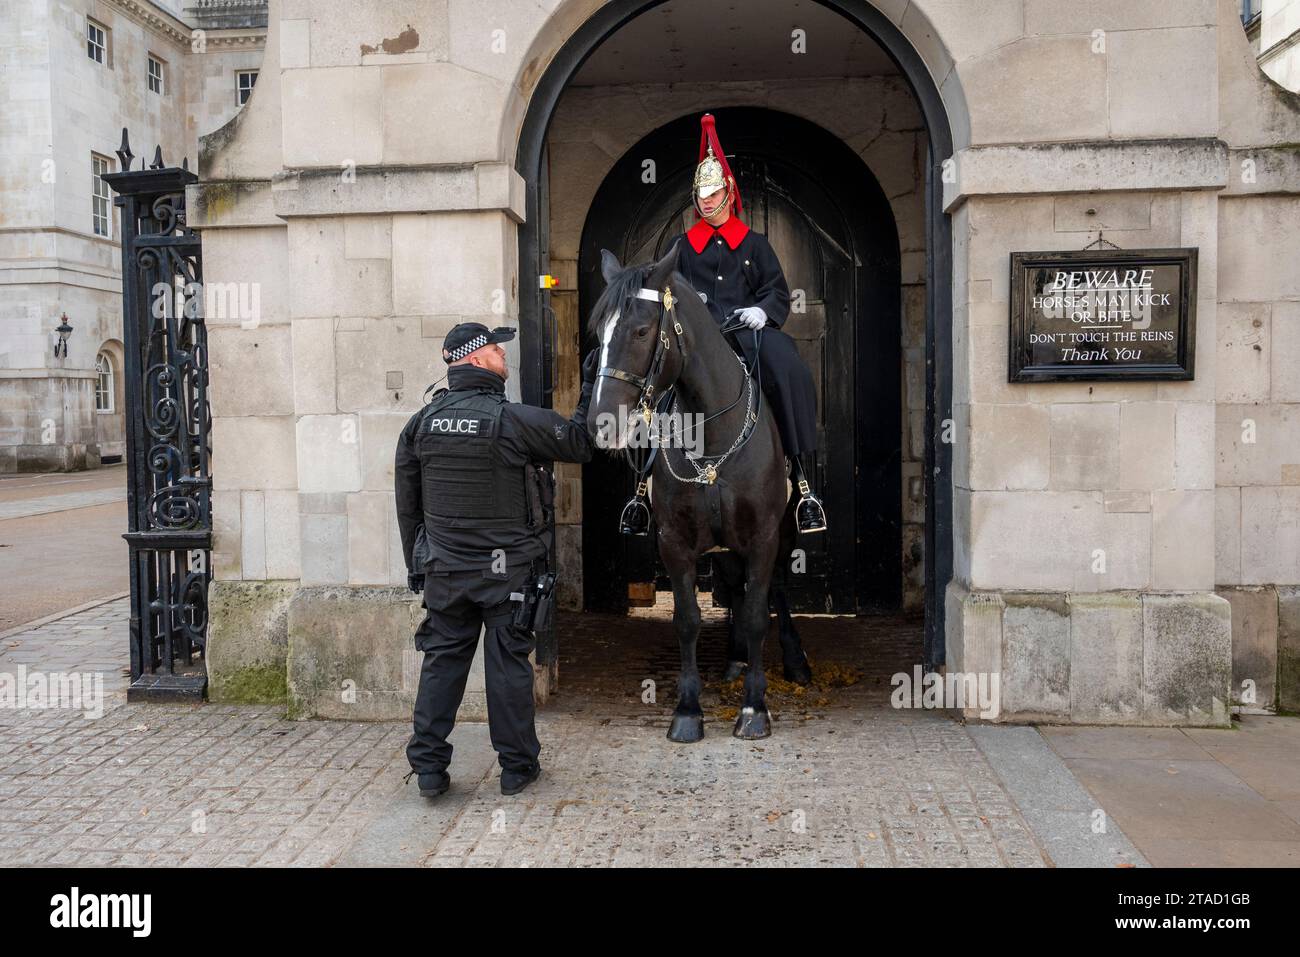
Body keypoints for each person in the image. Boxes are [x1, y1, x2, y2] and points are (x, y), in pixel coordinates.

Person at [395, 322, 598, 798]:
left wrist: (416, 566)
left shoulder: (421, 424)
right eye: (496, 350)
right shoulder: (516, 421)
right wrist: (588, 386)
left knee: (442, 662)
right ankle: (516, 768)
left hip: (445, 571)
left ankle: (428, 768)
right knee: (508, 665)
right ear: (475, 358)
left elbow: (407, 502)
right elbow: (580, 443)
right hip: (509, 576)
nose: (504, 358)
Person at [618, 112, 827, 536]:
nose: (706, 202)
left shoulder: (755, 244)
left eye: (713, 195)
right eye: (701, 196)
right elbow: (665, 292)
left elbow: (777, 292)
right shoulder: (682, 246)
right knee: (651, 385)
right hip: (694, 338)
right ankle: (641, 489)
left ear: (729, 193)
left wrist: (763, 313)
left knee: (789, 368)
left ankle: (804, 482)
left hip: (746, 334)